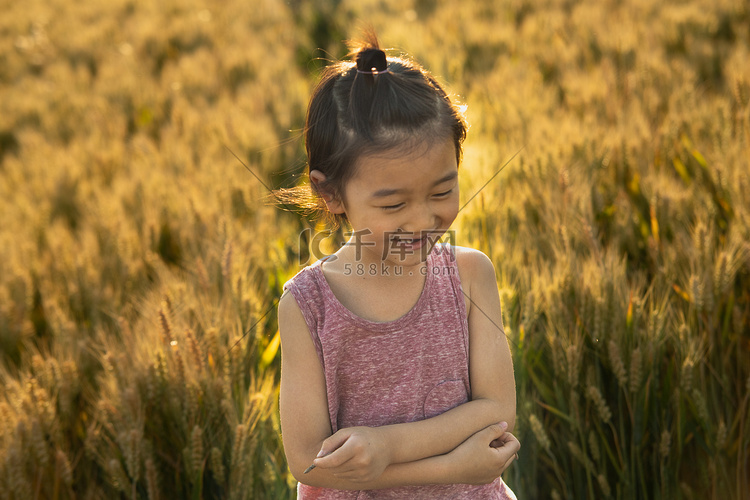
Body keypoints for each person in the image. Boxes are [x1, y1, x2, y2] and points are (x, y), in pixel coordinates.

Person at [276, 32, 519, 499]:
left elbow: (497, 410)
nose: (423, 220)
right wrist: (451, 466)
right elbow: (307, 460)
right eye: (393, 205)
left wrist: (385, 447)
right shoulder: (308, 307)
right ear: (330, 194)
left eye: (442, 192)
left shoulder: (470, 277)